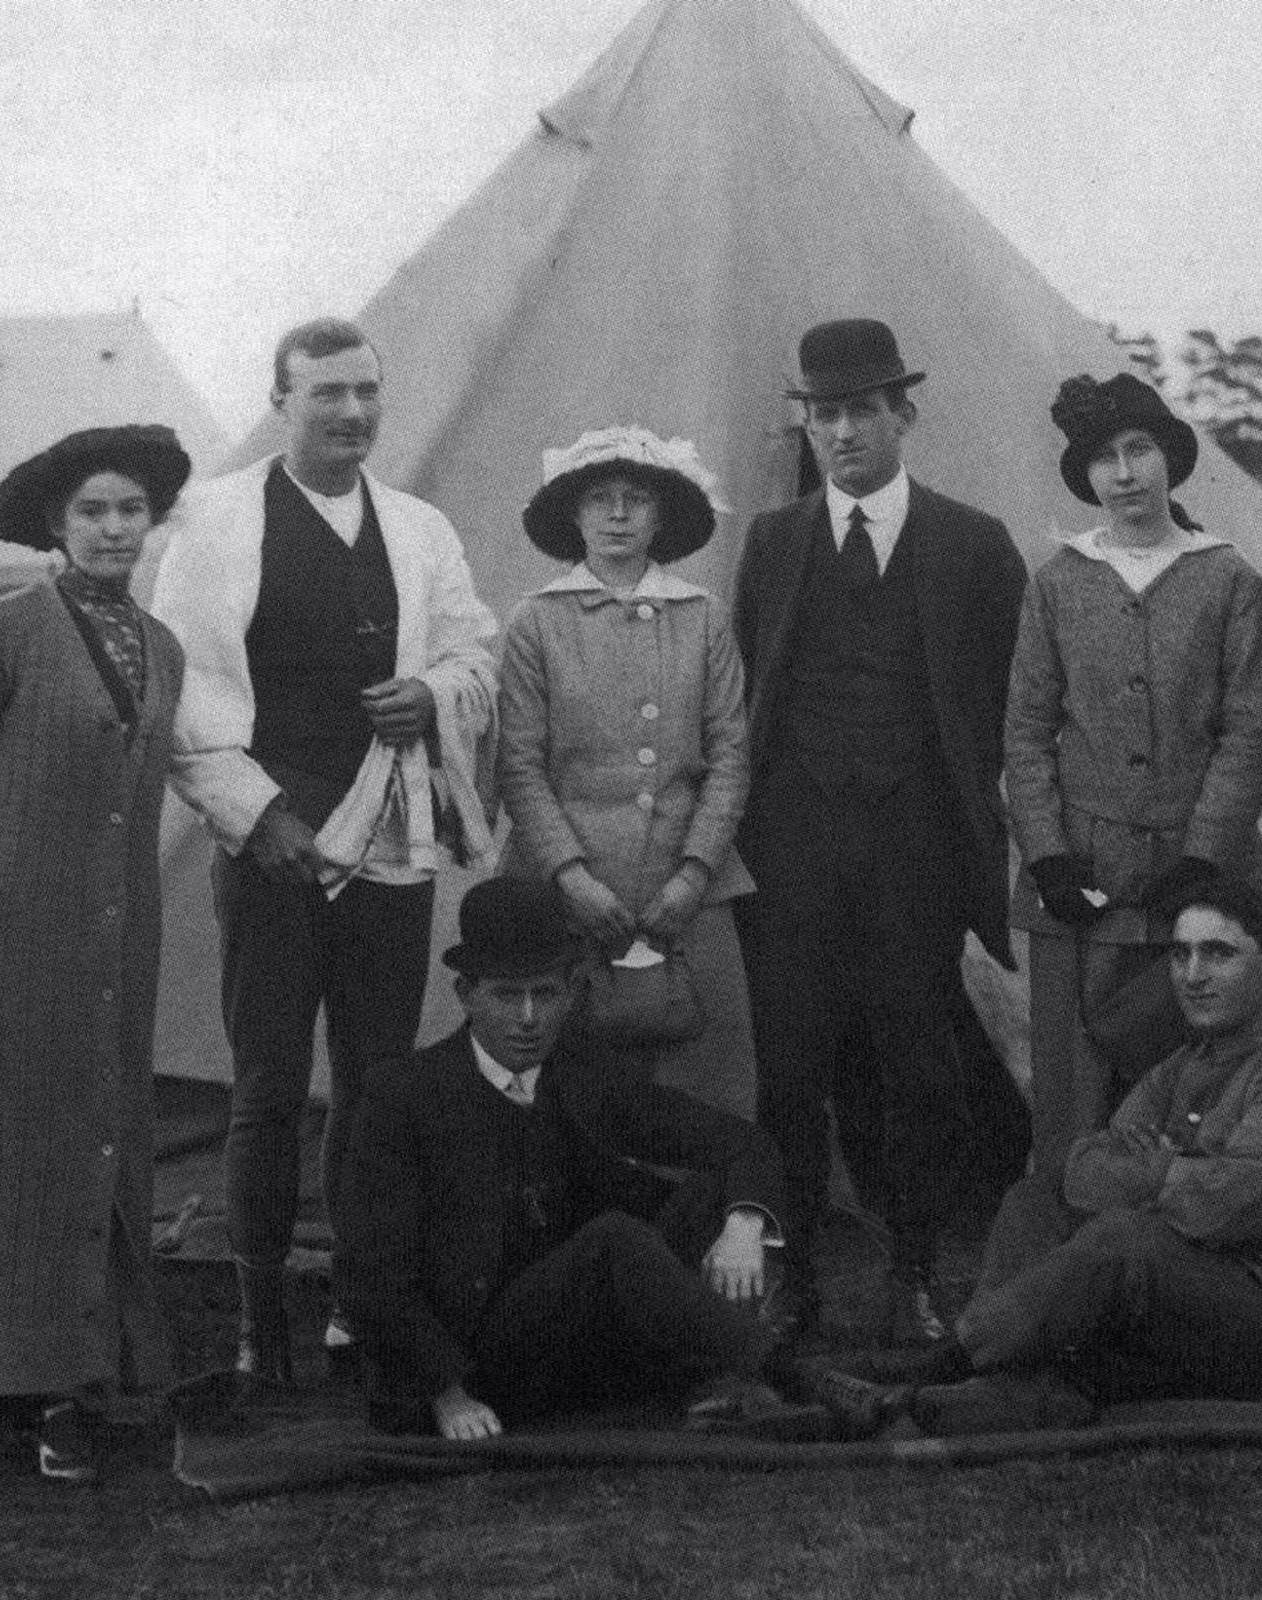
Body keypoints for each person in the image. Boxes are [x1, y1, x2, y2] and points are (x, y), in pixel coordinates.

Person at [150, 319, 499, 1387]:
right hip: (278, 841)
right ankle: (262, 1317)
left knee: (375, 1081)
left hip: (390, 828)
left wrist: (430, 692)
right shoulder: (216, 519)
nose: (351, 413)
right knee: (266, 1084)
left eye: (365, 392)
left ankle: (361, 1298)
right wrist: (256, 816)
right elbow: (183, 687)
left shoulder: (418, 527)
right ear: (280, 403)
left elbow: (473, 649)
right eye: (326, 394)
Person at [0, 425, 194, 1480]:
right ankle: (28, 1383)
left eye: (130, 510)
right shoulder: (6, 632)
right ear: (55, 529)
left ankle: (79, 1368)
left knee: (101, 1134)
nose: (114, 529)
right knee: (11, 1148)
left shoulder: (161, 646)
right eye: (91, 512)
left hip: (118, 932)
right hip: (5, 927)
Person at [812, 881, 1262, 1438]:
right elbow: (1083, 1172)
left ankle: (941, 1368)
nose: (1192, 976)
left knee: (1125, 1242)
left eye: (1218, 954)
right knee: (1036, 1200)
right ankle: (1001, 1384)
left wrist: (1154, 1172)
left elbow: (1220, 1212)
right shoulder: (1185, 1065)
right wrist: (1173, 1175)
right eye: (1180, 954)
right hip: (1208, 1289)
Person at [734, 318, 1026, 1346]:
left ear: (904, 415)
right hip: (791, 850)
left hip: (918, 847)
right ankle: (795, 1278)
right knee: (789, 1071)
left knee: (919, 1069)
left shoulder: (974, 544)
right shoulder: (773, 542)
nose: (842, 432)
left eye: (862, 410)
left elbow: (1006, 701)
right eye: (824, 414)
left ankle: (912, 1268)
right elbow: (751, 689)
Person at [980, 373, 1262, 1288]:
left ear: (1169, 460)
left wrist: (1203, 858)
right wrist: (1048, 855)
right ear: (1086, 477)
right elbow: (1025, 732)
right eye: (1104, 459)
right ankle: (1066, 1280)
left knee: (1202, 1084)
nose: (1124, 474)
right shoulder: (1058, 582)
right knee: (1072, 1101)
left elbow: (1247, 731)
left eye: (1139, 451)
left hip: (1198, 879)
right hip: (1081, 879)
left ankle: (1195, 1275)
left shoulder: (1226, 577)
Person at [333, 877, 813, 1440]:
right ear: (466, 995)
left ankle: (720, 1376)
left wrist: (744, 1224)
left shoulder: (581, 1069)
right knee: (614, 1239)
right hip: (477, 1360)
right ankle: (780, 1374)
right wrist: (448, 1395)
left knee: (714, 1197)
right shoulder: (403, 1096)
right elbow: (370, 1275)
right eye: (507, 996)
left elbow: (740, 1142)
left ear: (570, 991)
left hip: (576, 1338)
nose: (529, 1018)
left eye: (545, 994)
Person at [497, 425, 757, 1117]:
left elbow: (730, 756)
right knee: (567, 1094)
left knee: (698, 1097)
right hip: (567, 890)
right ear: (573, 515)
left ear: (661, 516)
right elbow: (518, 766)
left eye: (636, 499)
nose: (617, 515)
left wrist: (693, 875)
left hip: (686, 890)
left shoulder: (703, 618)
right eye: (599, 499)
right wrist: (571, 877)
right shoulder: (536, 622)